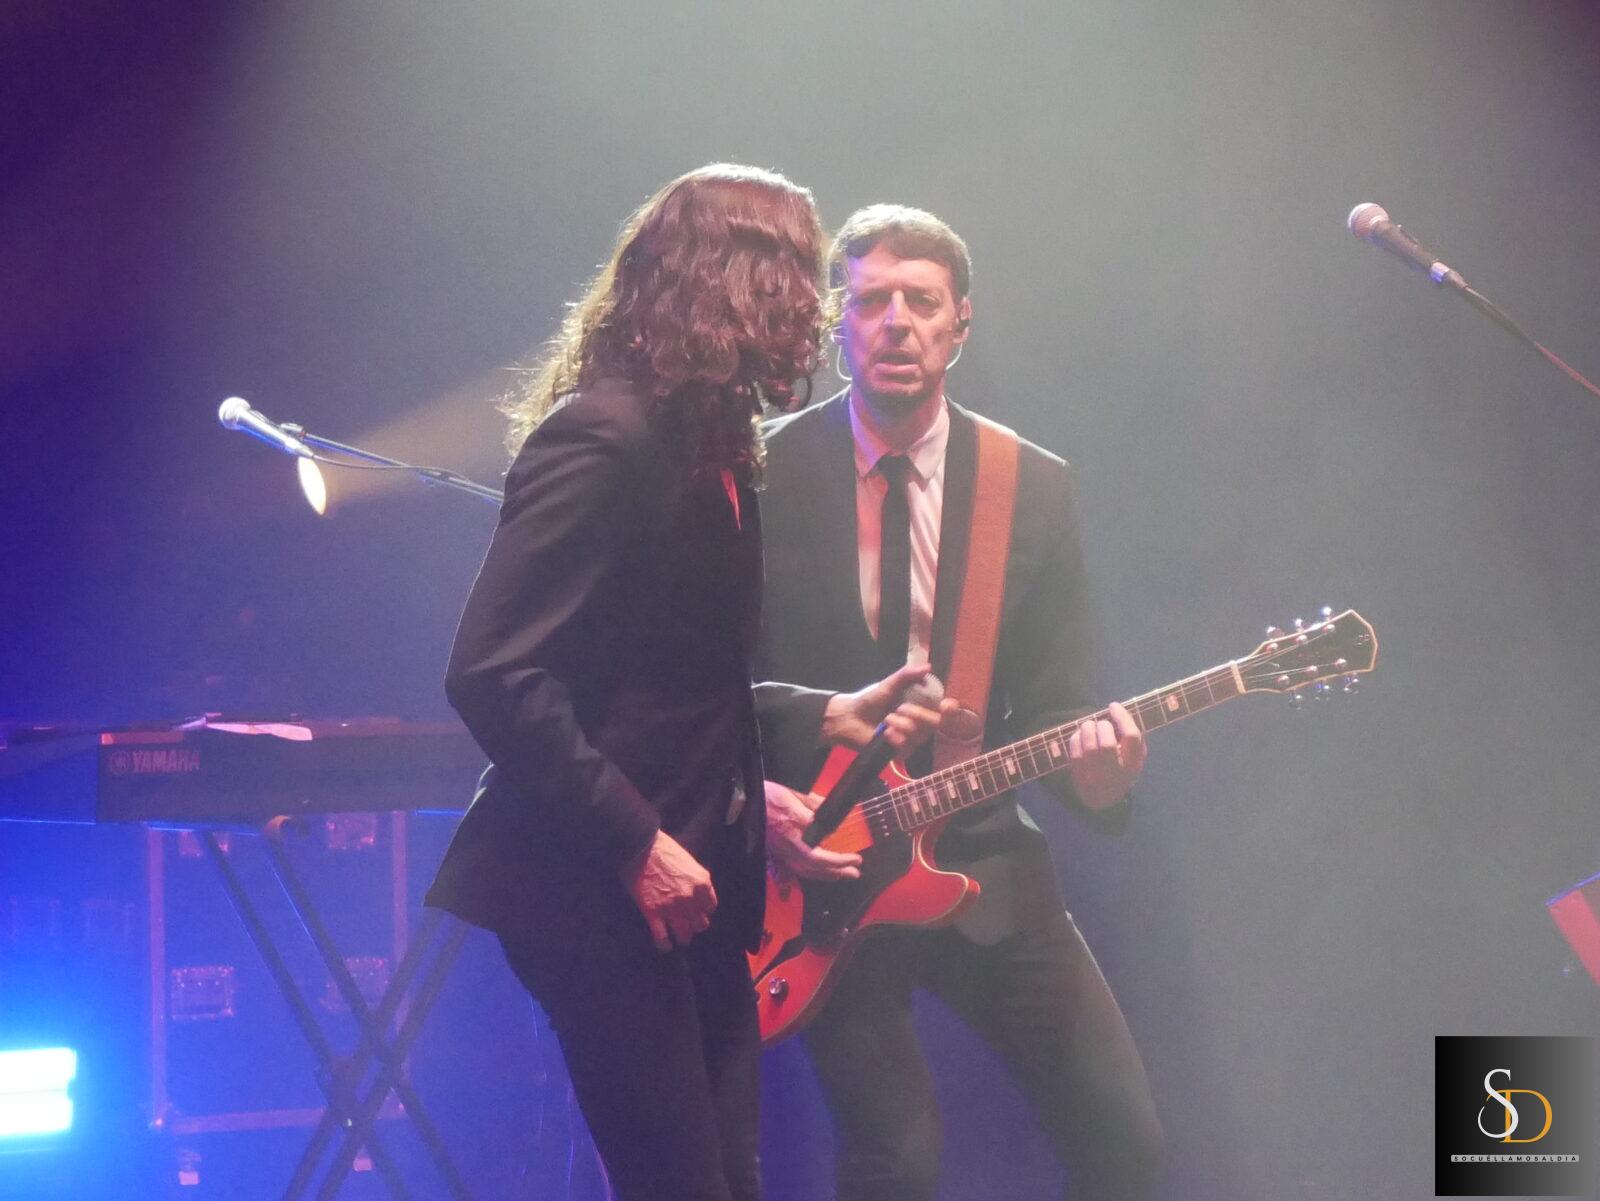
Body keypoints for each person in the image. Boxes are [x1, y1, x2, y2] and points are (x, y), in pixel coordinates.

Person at [425, 167, 940, 1201]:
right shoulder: (605, 435)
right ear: (724, 281)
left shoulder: (710, 448)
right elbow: (494, 668)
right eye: (791, 272)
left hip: (694, 883)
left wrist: (788, 745)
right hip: (593, 884)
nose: (813, 305)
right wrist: (635, 839)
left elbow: (663, 677)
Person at [754, 205, 1164, 1200]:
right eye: (871, 301)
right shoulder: (760, 471)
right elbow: (697, 677)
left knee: (1126, 1146)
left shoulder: (1033, 485)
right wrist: (752, 801)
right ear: (836, 322)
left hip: (979, 851)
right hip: (817, 864)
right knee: (898, 1160)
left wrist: (1100, 775)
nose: (896, 321)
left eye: (921, 301)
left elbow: (1059, 701)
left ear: (960, 325)